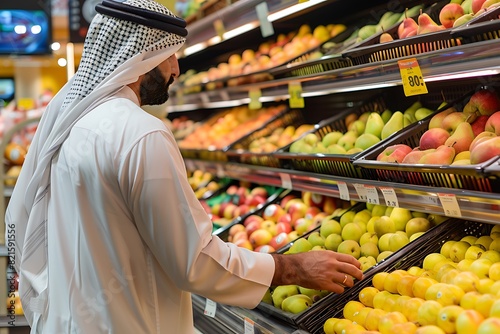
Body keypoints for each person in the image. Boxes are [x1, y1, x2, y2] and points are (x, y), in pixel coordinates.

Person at [5, 0, 363, 333]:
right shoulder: (141, 133)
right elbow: (192, 260)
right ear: (140, 58)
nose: (176, 69)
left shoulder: (71, 122)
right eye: (169, 55)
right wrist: (292, 267)